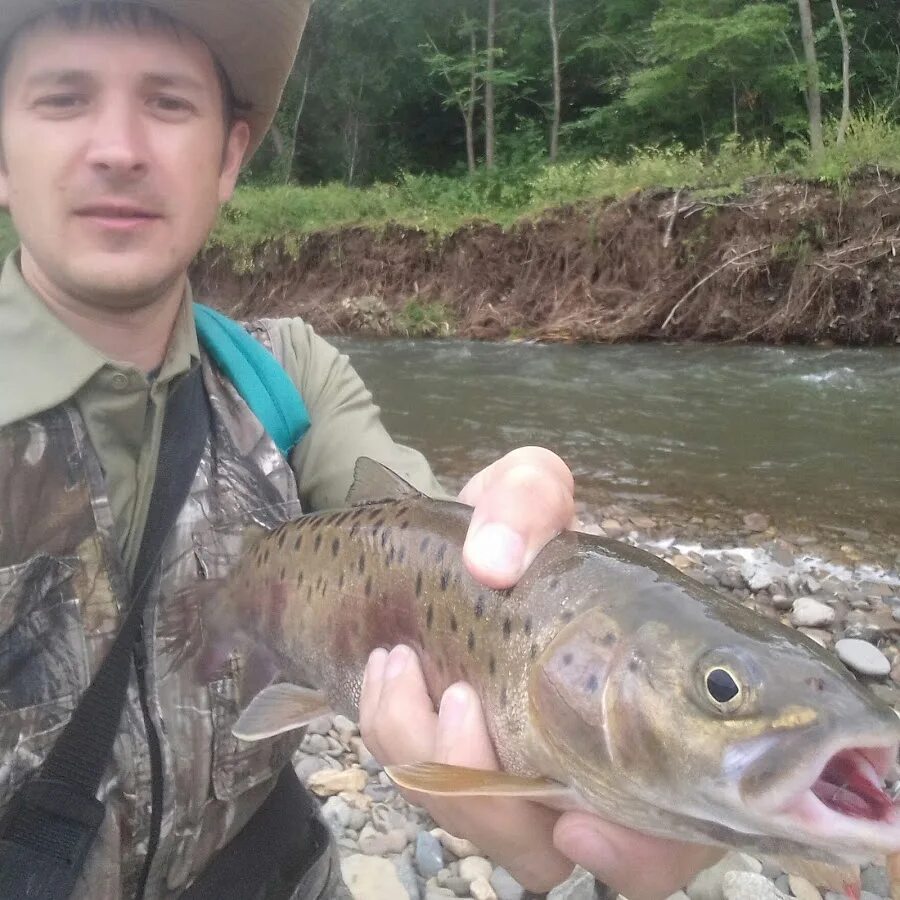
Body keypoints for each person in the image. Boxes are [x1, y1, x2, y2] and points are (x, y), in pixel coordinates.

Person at [0, 2, 719, 897]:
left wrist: (584, 690)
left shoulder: (286, 372)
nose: (118, 146)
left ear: (229, 158)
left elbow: (425, 542)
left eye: (168, 103)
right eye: (64, 99)